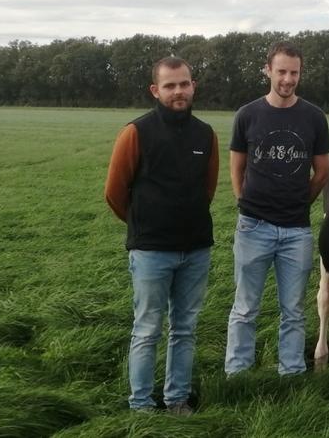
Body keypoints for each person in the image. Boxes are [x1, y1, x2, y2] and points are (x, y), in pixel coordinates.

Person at [104, 56, 219, 415]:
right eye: (170, 85)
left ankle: (177, 400)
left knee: (184, 329)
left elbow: (208, 189)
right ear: (156, 90)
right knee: (147, 329)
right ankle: (140, 404)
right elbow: (114, 192)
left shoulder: (206, 134)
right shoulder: (135, 133)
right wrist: (145, 225)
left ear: (193, 86)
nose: (178, 91)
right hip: (151, 252)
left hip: (196, 250)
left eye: (184, 84)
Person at [225, 41, 329, 376]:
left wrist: (304, 200)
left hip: (295, 231)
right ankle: (238, 372)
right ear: (267, 70)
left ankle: (291, 371)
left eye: (294, 72)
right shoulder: (248, 115)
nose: (288, 79)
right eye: (282, 71)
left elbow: (323, 170)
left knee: (294, 309)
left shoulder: (314, 117)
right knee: (245, 307)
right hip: (253, 227)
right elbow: (237, 166)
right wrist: (245, 202)